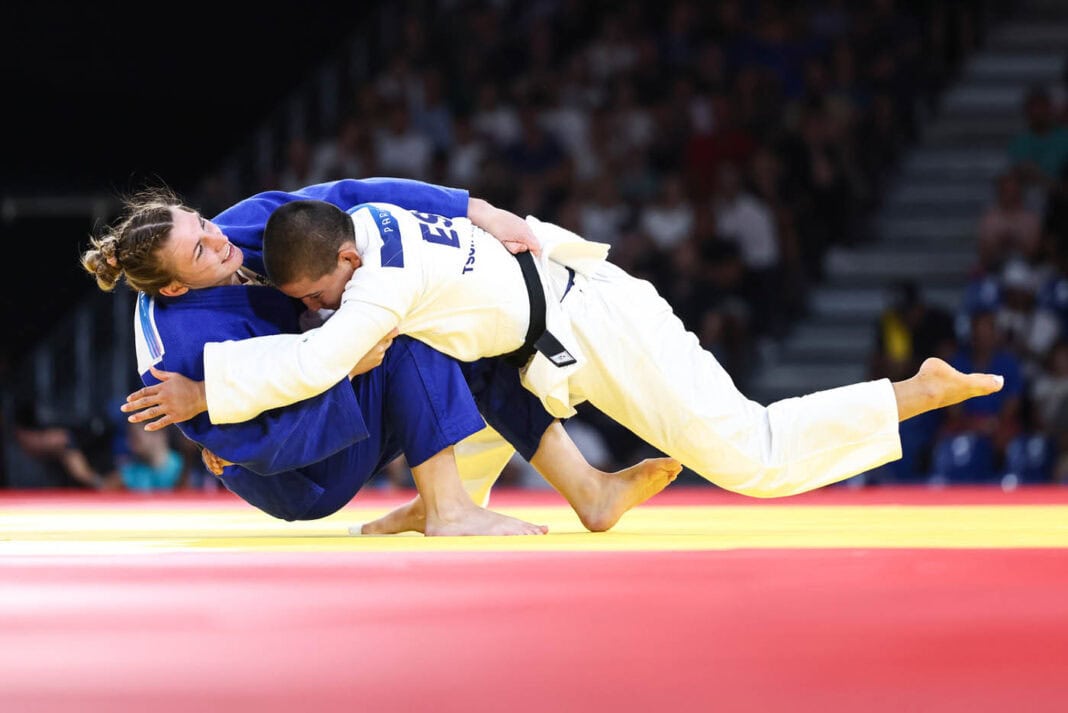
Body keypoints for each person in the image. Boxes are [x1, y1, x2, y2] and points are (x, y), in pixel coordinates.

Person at [125, 198, 1005, 499]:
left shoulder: (377, 286)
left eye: (320, 295)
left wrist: (207, 394)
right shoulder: (375, 225)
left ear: (343, 262)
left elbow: (316, 365)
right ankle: (478, 501)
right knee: (455, 366)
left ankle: (908, 391)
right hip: (543, 327)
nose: (323, 310)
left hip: (602, 326)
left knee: (750, 455)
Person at [84, 181, 678, 535]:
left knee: (467, 333)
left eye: (205, 222)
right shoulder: (177, 360)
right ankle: (447, 508)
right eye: (201, 249)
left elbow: (349, 200)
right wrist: (347, 370)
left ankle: (588, 493)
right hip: (304, 474)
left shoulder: (231, 231)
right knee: (414, 328)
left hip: (327, 391)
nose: (222, 240)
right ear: (173, 289)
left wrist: (476, 210)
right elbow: (266, 445)